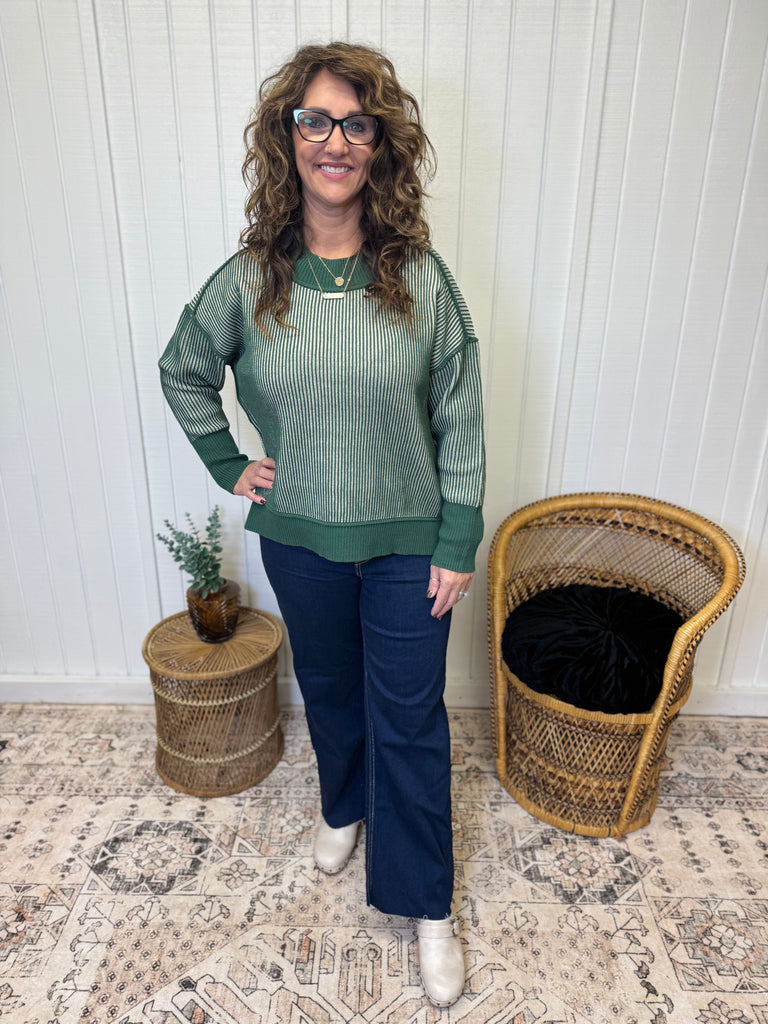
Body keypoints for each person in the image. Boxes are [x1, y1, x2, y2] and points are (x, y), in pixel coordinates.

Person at [159, 41, 485, 1008]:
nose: (334, 140)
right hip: (299, 537)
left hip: (411, 544)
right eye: (315, 121)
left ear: (379, 145)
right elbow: (184, 368)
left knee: (410, 720)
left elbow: (461, 411)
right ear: (287, 139)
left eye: (356, 123)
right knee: (332, 693)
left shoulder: (421, 278)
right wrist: (231, 464)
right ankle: (343, 806)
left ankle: (427, 905)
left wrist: (458, 538)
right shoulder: (249, 279)